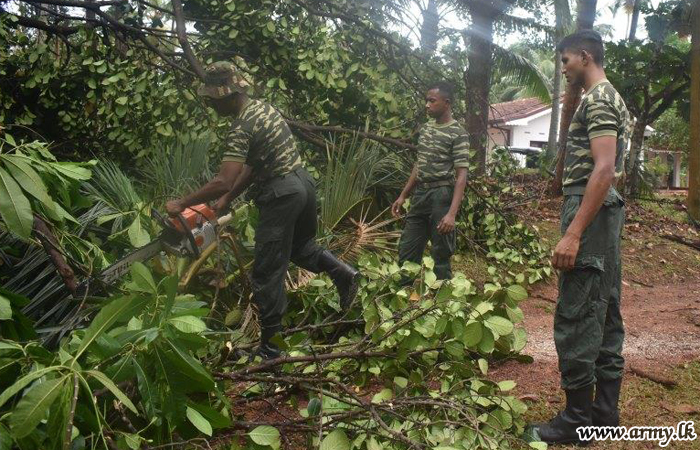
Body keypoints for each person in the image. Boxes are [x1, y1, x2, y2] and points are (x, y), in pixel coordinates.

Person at [166, 62, 360, 359]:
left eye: (212, 100)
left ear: (225, 96)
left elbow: (223, 179)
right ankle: (343, 273)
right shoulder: (263, 109)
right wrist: (227, 200)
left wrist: (183, 203)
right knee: (300, 247)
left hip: (281, 194)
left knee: (266, 273)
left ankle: (271, 352)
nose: (211, 105)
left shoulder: (241, 126)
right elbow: (254, 166)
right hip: (303, 185)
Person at [529, 30, 630, 445]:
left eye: (566, 60)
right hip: (603, 213)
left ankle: (576, 421)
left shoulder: (600, 98)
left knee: (576, 312)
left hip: (589, 211)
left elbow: (603, 169)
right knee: (604, 309)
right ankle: (603, 414)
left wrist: (573, 233)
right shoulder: (608, 97)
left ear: (584, 56)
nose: (564, 67)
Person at [391, 82, 469, 281]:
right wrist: (403, 195)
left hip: (441, 195)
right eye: (426, 101)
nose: (427, 105)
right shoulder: (426, 129)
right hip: (420, 195)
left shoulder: (457, 133)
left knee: (440, 253)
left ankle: (441, 303)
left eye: (432, 101)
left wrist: (451, 214)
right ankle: (403, 299)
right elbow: (419, 165)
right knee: (407, 249)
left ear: (447, 103)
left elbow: (461, 176)